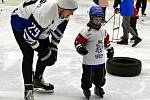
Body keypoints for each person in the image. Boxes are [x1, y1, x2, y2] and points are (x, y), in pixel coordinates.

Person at [10, 0, 78, 100]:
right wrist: (42, 51)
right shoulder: (44, 14)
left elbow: (58, 32)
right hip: (20, 20)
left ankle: (37, 80)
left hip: (37, 20)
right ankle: (28, 90)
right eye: (71, 11)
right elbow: (29, 38)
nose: (72, 14)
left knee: (47, 50)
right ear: (62, 9)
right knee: (28, 54)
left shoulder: (63, 12)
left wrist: (53, 48)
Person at [74, 5, 114, 99]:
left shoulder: (103, 30)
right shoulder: (86, 31)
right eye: (95, 19)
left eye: (100, 19)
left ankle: (98, 87)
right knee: (87, 77)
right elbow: (77, 41)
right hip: (89, 60)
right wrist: (80, 47)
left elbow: (106, 41)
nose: (98, 21)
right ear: (91, 19)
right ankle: (86, 88)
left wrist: (110, 49)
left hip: (100, 60)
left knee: (100, 76)